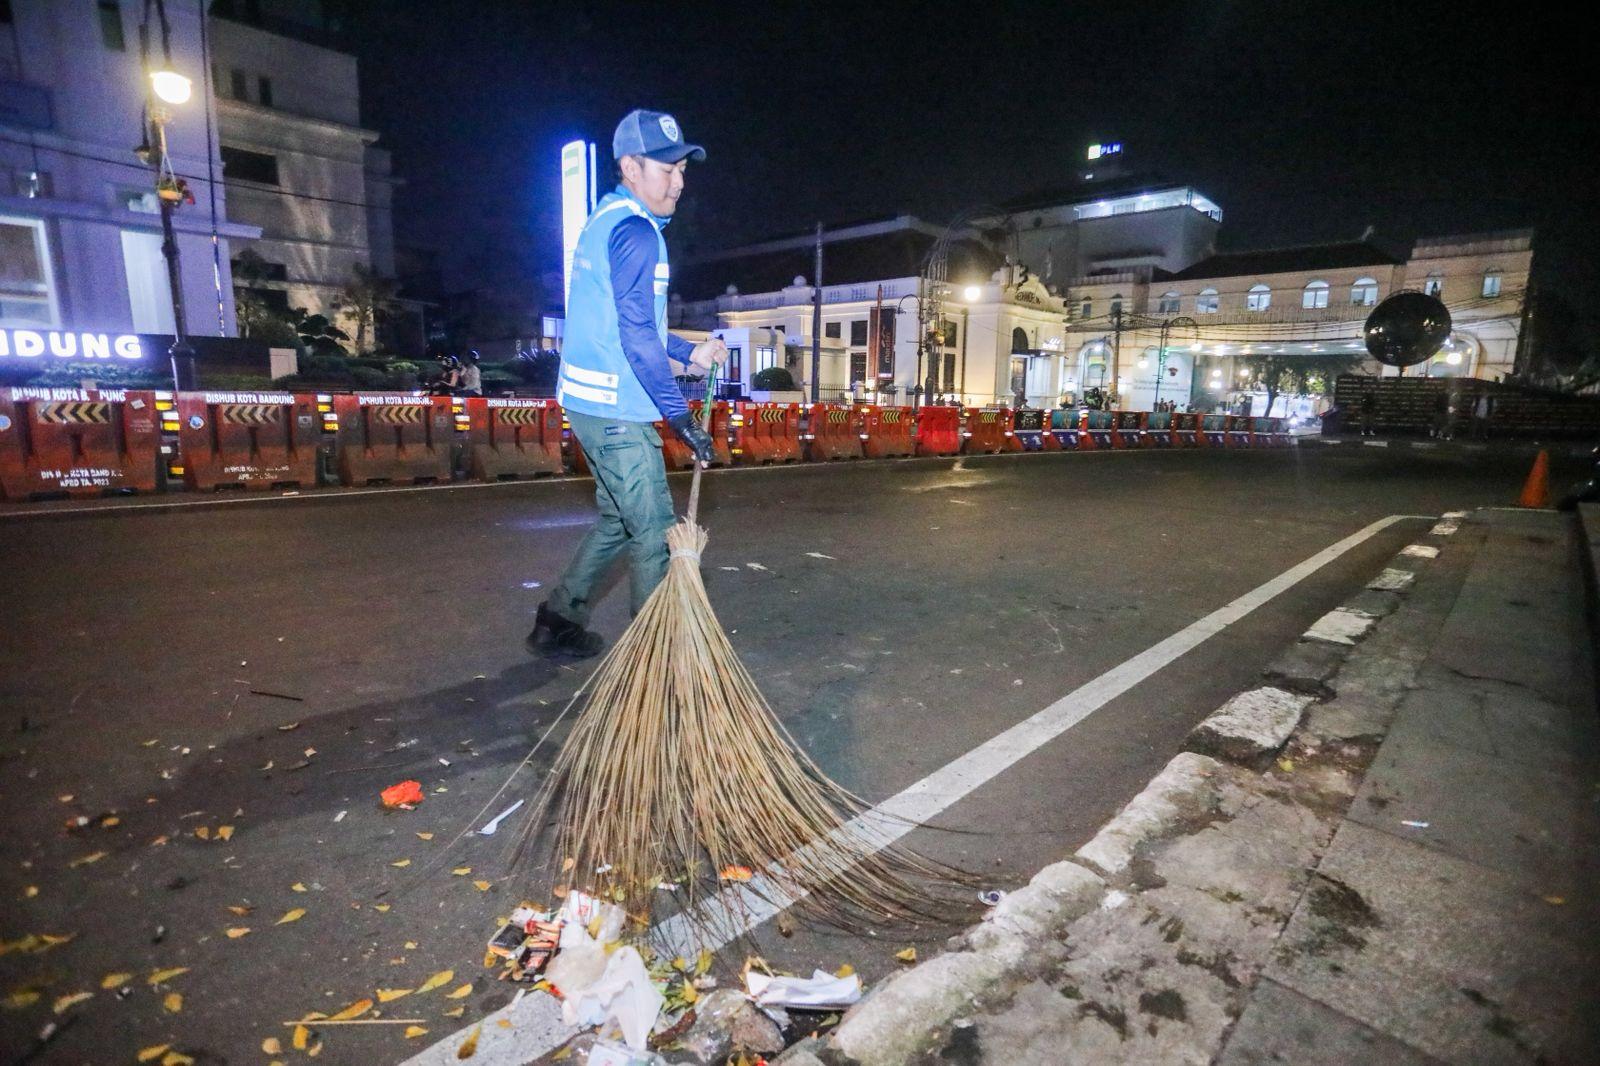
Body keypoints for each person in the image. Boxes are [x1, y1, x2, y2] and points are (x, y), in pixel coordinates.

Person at [529, 109, 724, 658]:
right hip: (617, 412)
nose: (680, 180)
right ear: (630, 167)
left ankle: (558, 620)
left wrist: (689, 351)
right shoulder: (637, 232)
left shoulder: (609, 219)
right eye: (667, 169)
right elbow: (637, 335)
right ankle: (657, 662)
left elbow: (634, 321)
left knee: (619, 521)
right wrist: (682, 419)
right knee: (658, 534)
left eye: (682, 168)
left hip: (590, 404)